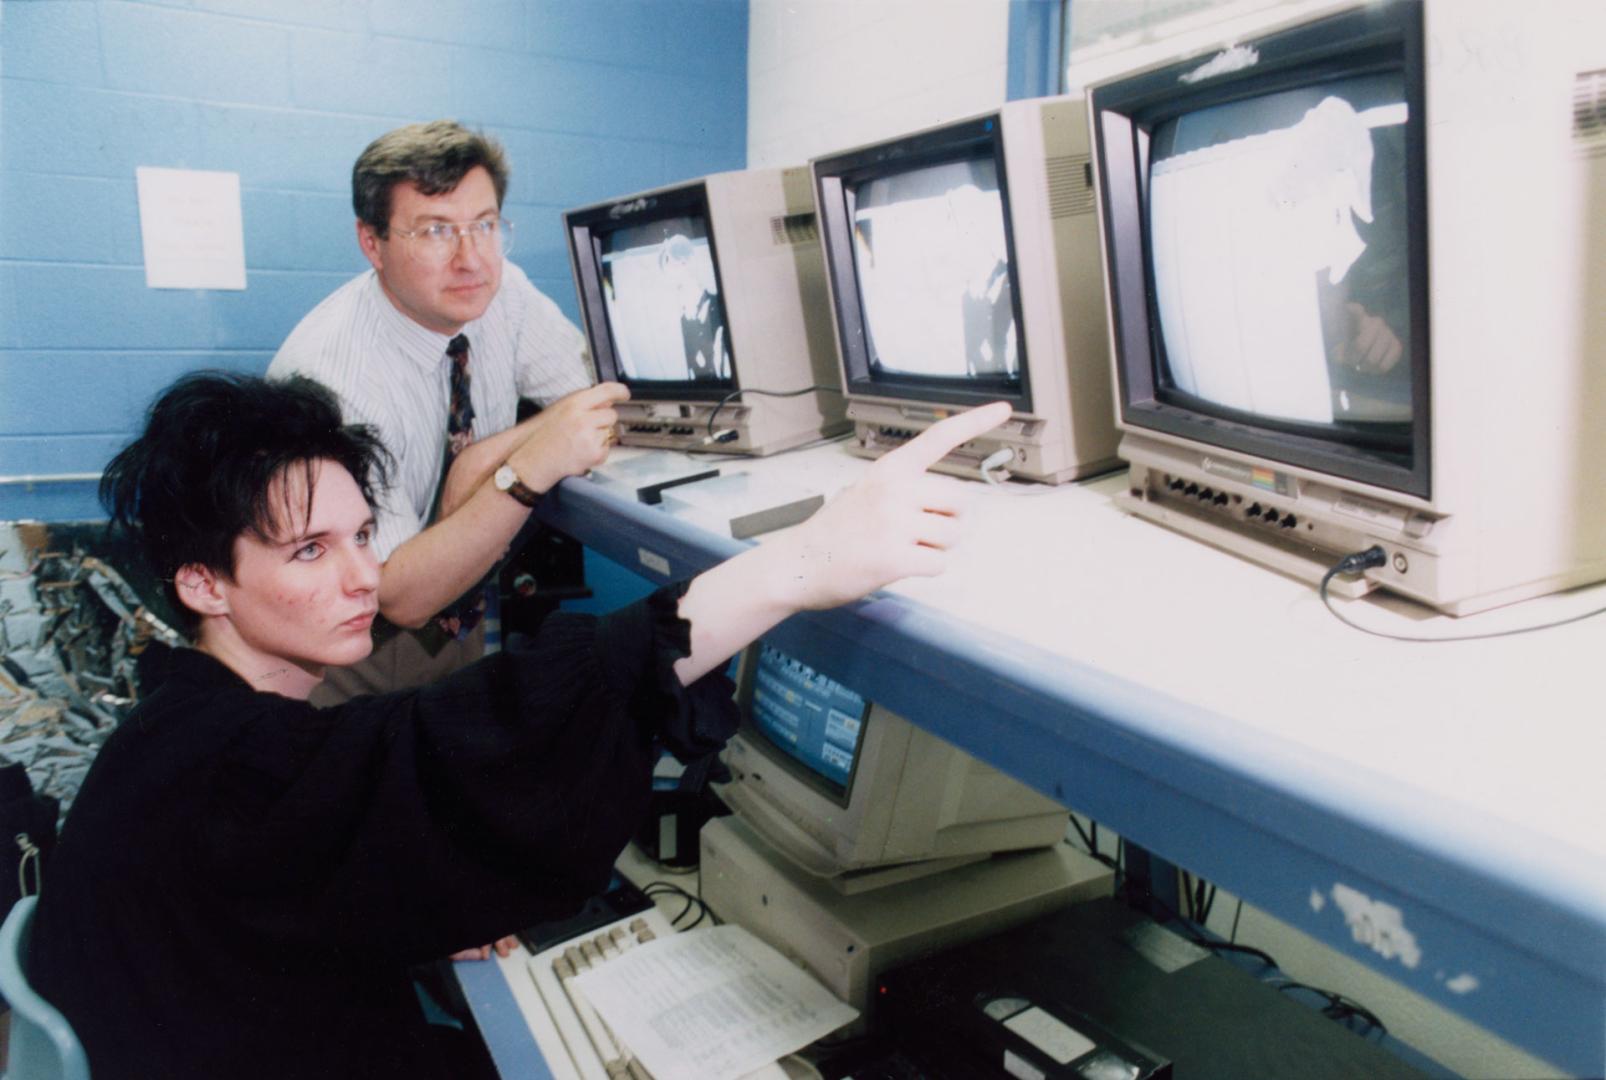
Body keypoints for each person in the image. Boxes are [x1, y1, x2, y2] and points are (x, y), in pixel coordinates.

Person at [29, 372, 1009, 1080]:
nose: (362, 576)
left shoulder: (175, 723)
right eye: (309, 550)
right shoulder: (225, 762)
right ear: (204, 582)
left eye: (364, 536)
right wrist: (795, 565)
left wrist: (406, 893)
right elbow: (437, 745)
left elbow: (322, 823)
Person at [267, 119, 620, 704]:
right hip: (335, 654)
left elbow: (591, 404)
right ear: (371, 243)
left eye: (484, 225)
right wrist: (527, 459)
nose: (471, 259)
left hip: (457, 617)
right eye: (434, 231)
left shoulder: (504, 293)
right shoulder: (331, 378)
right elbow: (400, 595)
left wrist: (479, 459)